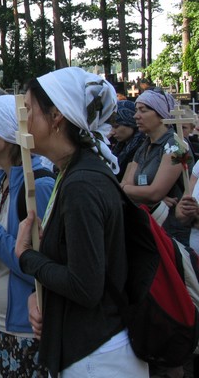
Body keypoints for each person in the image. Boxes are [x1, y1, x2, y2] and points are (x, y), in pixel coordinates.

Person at [15, 67, 148, 377]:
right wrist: (40, 294)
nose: (24, 118)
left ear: (57, 115)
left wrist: (27, 258)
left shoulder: (82, 183)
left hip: (97, 356)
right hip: (91, 347)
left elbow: (85, 286)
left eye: (30, 109)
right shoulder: (74, 173)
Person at [0, 95, 54, 377]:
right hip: (0, 324)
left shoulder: (37, 187)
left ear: (4, 135)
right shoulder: (3, 181)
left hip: (26, 331)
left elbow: (39, 269)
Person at [121, 88, 193, 245]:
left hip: (171, 232)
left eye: (143, 110)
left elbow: (155, 192)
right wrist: (144, 195)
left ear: (160, 114)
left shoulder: (178, 145)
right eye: (136, 110)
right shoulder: (143, 146)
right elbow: (125, 185)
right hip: (147, 227)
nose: (136, 116)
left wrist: (130, 191)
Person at [110, 99, 146, 180]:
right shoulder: (120, 145)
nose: (112, 132)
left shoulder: (141, 146)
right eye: (111, 127)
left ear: (130, 123)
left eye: (116, 126)